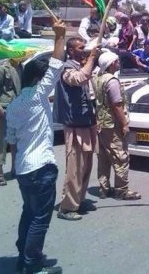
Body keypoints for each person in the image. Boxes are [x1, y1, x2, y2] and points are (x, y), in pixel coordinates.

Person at [6, 19, 67, 274]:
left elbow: (12, 142)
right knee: (40, 219)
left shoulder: (13, 106)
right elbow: (56, 66)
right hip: (41, 167)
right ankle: (32, 266)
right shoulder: (37, 96)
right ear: (36, 79)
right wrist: (59, 36)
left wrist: (13, 168)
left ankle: (24, 257)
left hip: (23, 169)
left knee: (29, 214)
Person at [55, 37, 101, 221]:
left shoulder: (82, 66)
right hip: (75, 125)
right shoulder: (67, 69)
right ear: (71, 51)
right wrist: (91, 58)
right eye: (81, 48)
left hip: (86, 122)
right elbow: (79, 79)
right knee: (75, 167)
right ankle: (67, 207)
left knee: (86, 166)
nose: (84, 50)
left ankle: (79, 200)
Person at [93, 52, 141, 201]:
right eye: (116, 61)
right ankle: (121, 190)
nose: (119, 63)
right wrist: (124, 124)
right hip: (112, 124)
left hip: (101, 123)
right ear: (111, 64)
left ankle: (104, 188)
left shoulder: (97, 78)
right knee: (120, 156)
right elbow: (117, 105)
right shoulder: (112, 81)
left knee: (103, 156)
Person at [0, 58, 22, 186]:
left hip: (18, 107)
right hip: (5, 108)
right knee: (3, 141)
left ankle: (15, 168)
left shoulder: (21, 67)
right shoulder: (3, 69)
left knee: (16, 141)